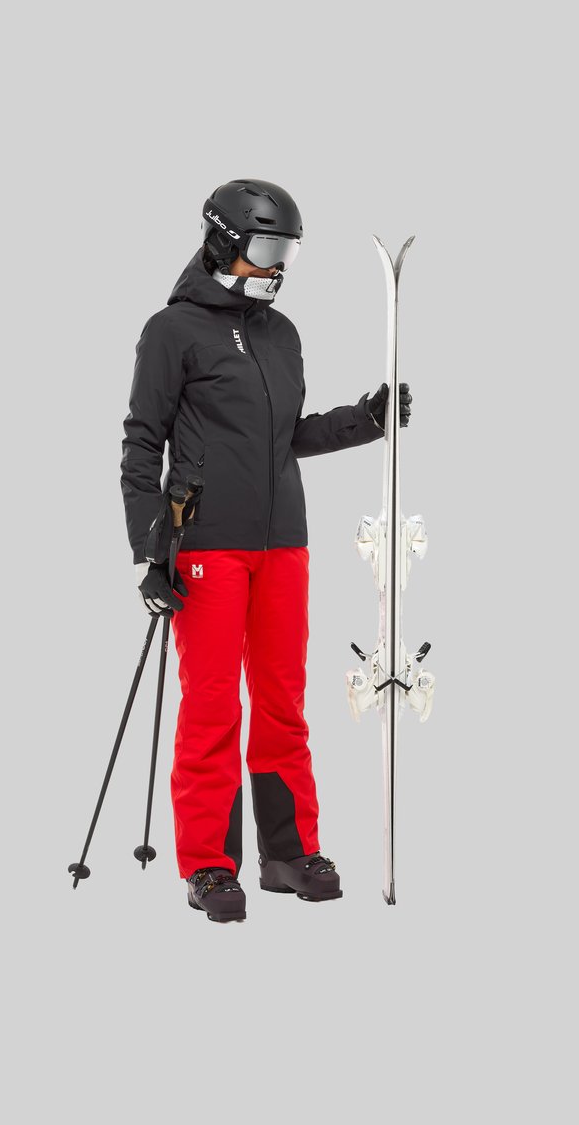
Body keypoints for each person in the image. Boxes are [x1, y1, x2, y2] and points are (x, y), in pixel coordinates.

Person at [120, 179, 411, 923]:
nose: (277, 266)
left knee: (283, 704)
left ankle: (288, 853)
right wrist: (151, 547)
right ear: (223, 242)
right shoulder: (171, 331)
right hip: (207, 546)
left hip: (284, 543)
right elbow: (141, 444)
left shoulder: (282, 334)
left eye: (288, 251)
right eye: (266, 247)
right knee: (213, 705)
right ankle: (210, 865)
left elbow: (287, 438)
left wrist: (367, 419)